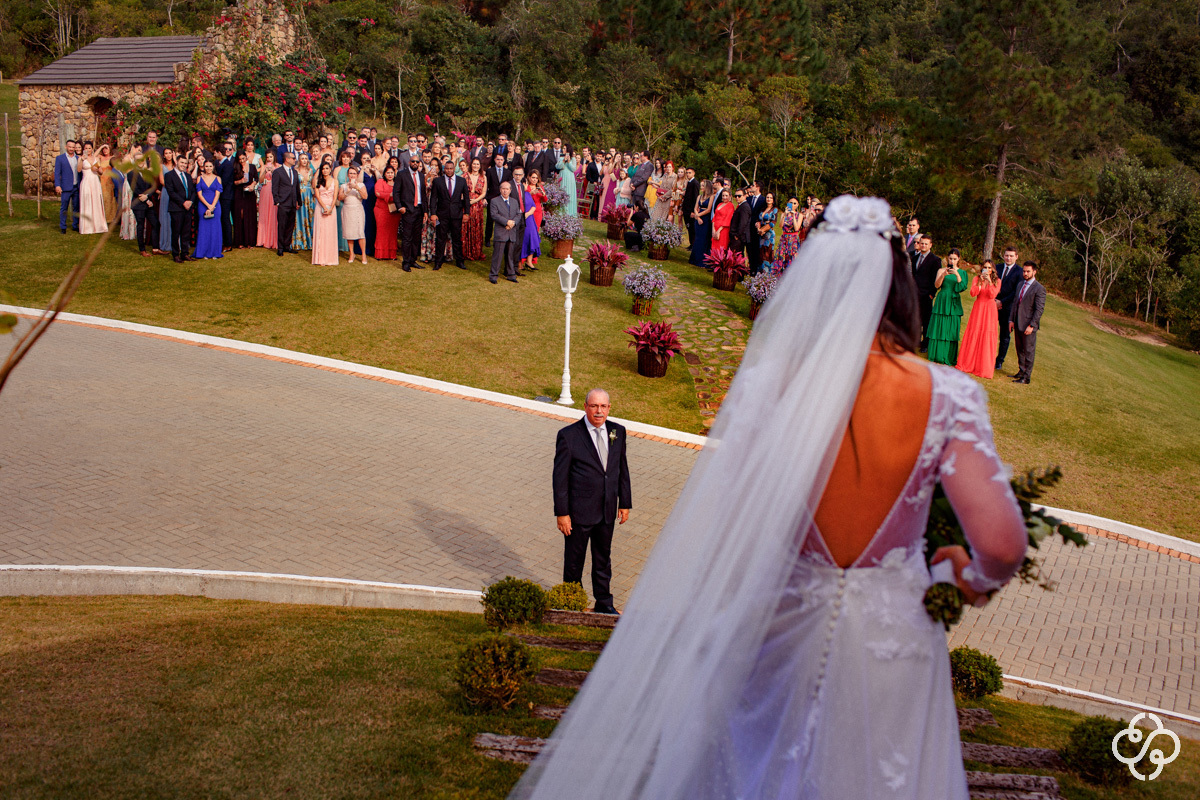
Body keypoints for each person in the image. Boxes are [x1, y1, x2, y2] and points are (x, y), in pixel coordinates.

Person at [511, 194, 1028, 800]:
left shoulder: (772, 386)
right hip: (891, 642)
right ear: (900, 290)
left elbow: (730, 526)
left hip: (778, 625)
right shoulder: (948, 396)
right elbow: (1001, 543)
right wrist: (962, 573)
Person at [552, 388, 632, 616]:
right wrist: (562, 513)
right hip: (578, 513)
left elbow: (621, 469)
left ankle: (604, 602)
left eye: (603, 407)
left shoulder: (618, 431)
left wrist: (624, 503)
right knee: (574, 560)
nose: (599, 411)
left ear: (609, 408)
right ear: (586, 407)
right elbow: (560, 479)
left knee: (602, 559)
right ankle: (571, 601)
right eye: (594, 406)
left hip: (606, 510)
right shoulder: (569, 435)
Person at [957, 260, 1001, 379]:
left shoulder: (997, 281)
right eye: (984, 267)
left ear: (993, 270)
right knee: (974, 332)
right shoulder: (977, 279)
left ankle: (983, 366)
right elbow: (972, 293)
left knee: (986, 334)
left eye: (989, 268)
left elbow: (993, 295)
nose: (986, 270)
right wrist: (980, 283)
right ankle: (969, 363)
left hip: (990, 310)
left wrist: (989, 281)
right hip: (979, 308)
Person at [927, 248, 968, 365]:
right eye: (950, 258)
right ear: (947, 258)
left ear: (958, 259)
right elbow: (936, 285)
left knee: (951, 328)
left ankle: (948, 355)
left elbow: (962, 287)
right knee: (939, 326)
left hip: (954, 301)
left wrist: (957, 274)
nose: (952, 261)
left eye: (955, 259)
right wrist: (943, 275)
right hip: (942, 299)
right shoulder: (941, 270)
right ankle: (936, 354)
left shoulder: (962, 273)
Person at [1009, 260, 1046, 384]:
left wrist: (1032, 325)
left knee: (1028, 351)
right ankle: (1021, 371)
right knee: (1019, 349)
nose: (1025, 273)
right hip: (1018, 323)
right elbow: (1015, 303)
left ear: (1034, 272)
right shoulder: (1020, 284)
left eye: (1028, 271)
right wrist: (1011, 320)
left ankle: (1026, 377)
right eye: (1024, 271)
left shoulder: (1039, 289)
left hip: (1028, 325)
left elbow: (1039, 309)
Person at [430, 159, 470, 270]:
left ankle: (459, 261)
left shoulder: (461, 181)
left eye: (451, 168)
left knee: (457, 239)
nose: (449, 170)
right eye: (446, 168)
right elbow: (433, 199)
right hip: (441, 215)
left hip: (457, 215)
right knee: (440, 239)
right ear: (444, 169)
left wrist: (466, 213)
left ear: (454, 169)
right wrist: (433, 214)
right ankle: (438, 262)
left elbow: (466, 198)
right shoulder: (438, 181)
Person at [994, 245, 1024, 373]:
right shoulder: (997, 267)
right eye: (1006, 255)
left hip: (1008, 308)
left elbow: (1016, 292)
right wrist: (994, 300)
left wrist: (1002, 301)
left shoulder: (1019, 272)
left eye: (1011, 256)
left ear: (1016, 257)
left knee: (1005, 336)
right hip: (992, 304)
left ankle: (999, 360)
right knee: (988, 331)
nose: (1008, 258)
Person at [396, 155, 427, 272]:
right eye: (413, 161)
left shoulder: (420, 175)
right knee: (407, 237)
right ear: (409, 162)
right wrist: (400, 207)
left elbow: (423, 195)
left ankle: (413, 260)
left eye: (417, 162)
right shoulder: (401, 174)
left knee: (416, 237)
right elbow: (396, 192)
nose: (415, 163)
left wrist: (425, 211)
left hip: (419, 209)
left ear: (419, 163)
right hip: (408, 210)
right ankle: (406, 262)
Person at [127, 147, 159, 257]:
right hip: (138, 204)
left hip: (148, 202)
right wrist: (146, 199)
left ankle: (155, 248)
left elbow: (152, 187)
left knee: (155, 223)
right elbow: (135, 190)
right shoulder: (131, 174)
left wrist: (148, 197)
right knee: (141, 226)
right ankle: (142, 250)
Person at [911, 234, 940, 352]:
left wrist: (931, 294)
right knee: (915, 318)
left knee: (926, 320)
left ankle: (925, 343)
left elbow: (936, 279)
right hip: (915, 294)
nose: (923, 245)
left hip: (926, 295)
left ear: (930, 245)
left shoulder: (935, 260)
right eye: (921, 243)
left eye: (926, 244)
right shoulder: (914, 258)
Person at [164, 156, 196, 262]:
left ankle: (185, 253)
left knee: (186, 232)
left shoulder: (187, 175)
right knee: (176, 231)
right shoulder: (169, 175)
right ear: (177, 162)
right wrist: (183, 203)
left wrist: (190, 201)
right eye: (182, 162)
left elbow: (192, 191)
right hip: (177, 208)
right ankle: (176, 254)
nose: (183, 165)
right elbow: (171, 192)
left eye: (185, 163)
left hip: (188, 208)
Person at [489, 181, 522, 284]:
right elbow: (494, 215)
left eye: (507, 189)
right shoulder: (494, 201)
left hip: (511, 231)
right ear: (500, 190)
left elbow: (518, 214)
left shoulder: (514, 201)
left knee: (510, 255)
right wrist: (506, 222)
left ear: (510, 190)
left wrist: (513, 223)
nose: (505, 191)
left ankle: (510, 274)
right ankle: (494, 276)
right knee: (497, 256)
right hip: (501, 232)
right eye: (503, 189)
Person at [272, 151, 301, 256]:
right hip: (283, 203)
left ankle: (287, 246)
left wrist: (299, 201)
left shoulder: (294, 172)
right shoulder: (278, 172)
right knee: (282, 225)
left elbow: (296, 187)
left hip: (293, 202)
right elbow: (274, 188)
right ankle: (280, 247)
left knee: (290, 225)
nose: (295, 160)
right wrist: (277, 201)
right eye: (293, 158)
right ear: (287, 159)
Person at [194, 161, 224, 259]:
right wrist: (207, 206)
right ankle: (203, 252)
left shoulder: (218, 178)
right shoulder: (199, 178)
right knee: (204, 229)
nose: (208, 168)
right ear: (204, 167)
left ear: (213, 167)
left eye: (210, 166)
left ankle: (215, 252)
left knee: (215, 229)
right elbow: (199, 194)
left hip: (215, 206)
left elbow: (218, 193)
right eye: (206, 166)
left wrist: (212, 206)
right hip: (203, 205)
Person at [311, 162, 340, 266]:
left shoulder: (335, 181)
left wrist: (331, 208)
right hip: (320, 207)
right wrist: (324, 207)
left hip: (331, 208)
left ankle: (330, 258)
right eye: (323, 169)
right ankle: (320, 258)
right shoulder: (318, 180)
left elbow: (335, 196)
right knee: (321, 231)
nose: (325, 170)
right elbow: (317, 196)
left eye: (327, 168)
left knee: (330, 232)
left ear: (330, 169)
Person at [340, 165, 368, 264]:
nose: (352, 175)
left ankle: (363, 254)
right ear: (348, 175)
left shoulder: (361, 185)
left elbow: (365, 196)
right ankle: (352, 253)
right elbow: (340, 198)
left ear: (357, 175)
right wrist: (347, 191)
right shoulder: (343, 186)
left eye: (354, 173)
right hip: (347, 209)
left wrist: (356, 187)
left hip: (357, 209)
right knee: (349, 232)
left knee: (360, 232)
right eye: (350, 173)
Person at [484, 153, 513, 247]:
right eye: (498, 159)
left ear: (504, 160)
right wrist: (485, 197)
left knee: (502, 219)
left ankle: (501, 238)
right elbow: (486, 185)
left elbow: (509, 186)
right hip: (491, 198)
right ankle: (487, 239)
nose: (499, 161)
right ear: (495, 160)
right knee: (490, 220)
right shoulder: (490, 171)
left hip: (503, 199)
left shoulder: (508, 172)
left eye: (501, 159)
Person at [77, 142, 107, 235]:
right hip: (86, 182)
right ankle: (87, 227)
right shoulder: (81, 158)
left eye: (89, 148)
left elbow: (101, 172)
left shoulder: (96, 158)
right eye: (86, 148)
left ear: (92, 149)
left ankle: (98, 226)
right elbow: (78, 170)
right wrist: (82, 160)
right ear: (83, 149)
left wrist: (98, 169)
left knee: (96, 202)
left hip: (95, 182)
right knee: (87, 202)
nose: (88, 150)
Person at [231, 151, 258, 249]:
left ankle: (250, 241)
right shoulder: (235, 168)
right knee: (240, 215)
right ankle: (240, 241)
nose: (242, 161)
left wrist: (252, 185)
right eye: (240, 159)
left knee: (250, 216)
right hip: (239, 193)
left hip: (250, 194)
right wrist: (240, 181)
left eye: (243, 158)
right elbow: (232, 182)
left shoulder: (252, 167)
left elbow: (256, 179)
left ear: (246, 157)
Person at [213, 141, 237, 252]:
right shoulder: (219, 164)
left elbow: (224, 181)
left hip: (226, 196)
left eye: (215, 153)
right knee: (222, 219)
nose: (214, 155)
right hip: (222, 196)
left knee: (225, 219)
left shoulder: (227, 165)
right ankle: (224, 241)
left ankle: (228, 244)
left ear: (219, 152)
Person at [54, 139, 81, 233]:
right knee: (64, 207)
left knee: (76, 207)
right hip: (65, 187)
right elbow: (57, 173)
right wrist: (57, 185)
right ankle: (63, 226)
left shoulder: (78, 158)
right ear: (66, 147)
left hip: (76, 186)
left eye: (73, 147)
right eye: (69, 147)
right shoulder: (60, 158)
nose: (71, 149)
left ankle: (75, 225)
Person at [373, 165, 400, 260]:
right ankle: (380, 254)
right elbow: (377, 193)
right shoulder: (381, 181)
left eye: (391, 172)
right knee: (381, 232)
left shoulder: (397, 183)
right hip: (381, 210)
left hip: (394, 211)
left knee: (392, 232)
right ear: (384, 173)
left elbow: (401, 194)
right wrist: (391, 194)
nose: (390, 174)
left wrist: (387, 195)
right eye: (388, 172)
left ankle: (392, 254)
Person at [464, 157, 487, 261]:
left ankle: (476, 251)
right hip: (466, 203)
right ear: (471, 164)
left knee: (476, 227)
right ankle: (466, 252)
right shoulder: (464, 176)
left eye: (477, 164)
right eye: (474, 164)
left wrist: (474, 201)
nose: (476, 166)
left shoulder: (483, 177)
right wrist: (466, 201)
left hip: (477, 205)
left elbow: (484, 193)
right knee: (466, 226)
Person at [773, 197, 803, 271]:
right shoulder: (784, 214)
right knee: (781, 255)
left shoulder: (799, 215)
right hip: (784, 237)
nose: (792, 205)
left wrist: (793, 216)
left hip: (793, 238)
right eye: (791, 203)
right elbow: (780, 225)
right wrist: (784, 215)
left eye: (794, 203)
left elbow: (796, 228)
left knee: (791, 256)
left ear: (798, 205)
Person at [256, 151, 278, 249]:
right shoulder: (264, 167)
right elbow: (260, 180)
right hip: (265, 190)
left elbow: (279, 179)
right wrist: (265, 172)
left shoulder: (278, 166)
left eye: (271, 156)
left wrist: (273, 171)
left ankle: (273, 240)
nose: (269, 158)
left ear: (274, 157)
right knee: (264, 213)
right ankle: (263, 239)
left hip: (274, 190)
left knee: (273, 213)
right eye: (267, 157)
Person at [689, 180, 714, 268]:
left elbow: (708, 209)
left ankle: (702, 260)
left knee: (703, 239)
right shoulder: (699, 196)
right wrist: (697, 216)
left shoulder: (711, 197)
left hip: (705, 219)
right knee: (697, 238)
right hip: (698, 218)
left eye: (703, 186)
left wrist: (698, 215)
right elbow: (696, 207)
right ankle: (694, 258)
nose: (701, 187)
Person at [292, 153, 314, 251]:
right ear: (299, 160)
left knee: (309, 218)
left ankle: (309, 241)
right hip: (299, 195)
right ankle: (299, 241)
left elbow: (313, 184)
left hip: (309, 197)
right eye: (302, 159)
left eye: (306, 159)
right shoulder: (295, 171)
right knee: (298, 217)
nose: (304, 160)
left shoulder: (310, 170)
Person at [157, 148, 174, 254]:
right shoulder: (161, 166)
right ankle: (165, 244)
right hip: (166, 192)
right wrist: (172, 187)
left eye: (170, 153)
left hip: (177, 193)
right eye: (166, 153)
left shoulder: (176, 165)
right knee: (165, 218)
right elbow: (161, 180)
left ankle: (176, 243)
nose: (168, 155)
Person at [728, 188, 752, 257]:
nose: (737, 198)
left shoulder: (744, 207)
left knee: (737, 256)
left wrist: (737, 235)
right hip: (736, 236)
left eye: (739, 196)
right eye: (735, 196)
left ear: (745, 196)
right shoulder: (741, 206)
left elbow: (743, 223)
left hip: (739, 237)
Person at [757, 192, 777, 269]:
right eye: (767, 197)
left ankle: (768, 274)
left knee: (767, 254)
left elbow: (773, 223)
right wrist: (758, 228)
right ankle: (760, 273)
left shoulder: (774, 209)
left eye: (771, 198)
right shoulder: (763, 209)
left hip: (769, 235)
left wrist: (763, 230)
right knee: (761, 254)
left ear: (773, 200)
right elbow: (759, 220)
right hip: (761, 234)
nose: (768, 199)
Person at [557, 145, 578, 217]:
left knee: (569, 193)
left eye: (564, 148)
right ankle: (562, 212)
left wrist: (569, 161)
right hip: (562, 177)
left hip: (570, 178)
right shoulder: (561, 158)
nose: (563, 149)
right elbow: (557, 166)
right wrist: (563, 160)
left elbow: (573, 169)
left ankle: (570, 212)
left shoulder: (573, 159)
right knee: (562, 192)